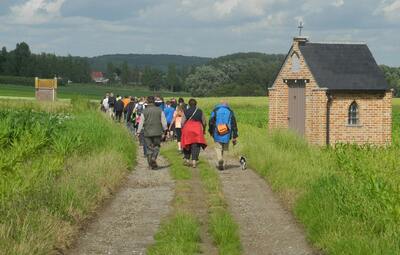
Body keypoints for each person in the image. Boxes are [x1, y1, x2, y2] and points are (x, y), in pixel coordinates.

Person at [137, 96, 168, 169]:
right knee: (156, 146)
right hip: (158, 132)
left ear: (147, 102)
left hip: (147, 132)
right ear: (154, 101)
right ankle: (154, 158)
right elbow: (164, 122)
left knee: (148, 148)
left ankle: (150, 165)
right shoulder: (160, 110)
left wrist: (138, 132)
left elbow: (141, 122)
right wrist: (165, 130)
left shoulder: (144, 111)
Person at [209, 100, 238, 170]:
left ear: (220, 104)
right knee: (225, 148)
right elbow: (234, 124)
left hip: (217, 132)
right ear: (226, 105)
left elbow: (211, 122)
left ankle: (220, 159)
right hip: (227, 132)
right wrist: (235, 135)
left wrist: (210, 131)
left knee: (218, 147)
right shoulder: (230, 111)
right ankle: (224, 164)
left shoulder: (215, 110)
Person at [181, 99, 207, 168]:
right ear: (196, 104)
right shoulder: (200, 111)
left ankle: (187, 160)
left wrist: (182, 129)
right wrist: (204, 130)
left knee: (187, 143)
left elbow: (182, 122)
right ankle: (194, 162)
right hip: (197, 129)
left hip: (188, 128)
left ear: (189, 104)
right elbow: (204, 122)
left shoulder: (185, 111)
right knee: (196, 145)